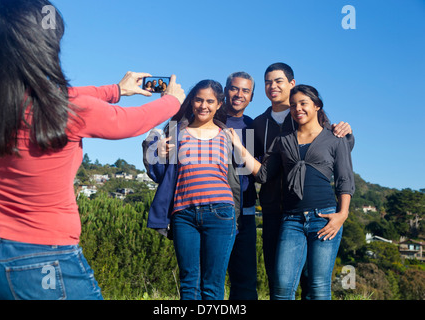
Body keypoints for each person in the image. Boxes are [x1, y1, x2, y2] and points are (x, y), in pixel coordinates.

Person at [0, 0, 185, 300]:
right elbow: (132, 121)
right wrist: (172, 101)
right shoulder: (73, 111)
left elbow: (56, 97)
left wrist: (115, 90)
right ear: (42, 46)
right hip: (44, 259)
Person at [228, 84, 355, 300]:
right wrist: (239, 147)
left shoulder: (335, 138)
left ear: (317, 106)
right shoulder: (284, 140)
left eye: (303, 103)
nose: (298, 109)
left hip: (325, 218)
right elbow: (264, 174)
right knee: (282, 287)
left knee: (318, 286)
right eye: (294, 105)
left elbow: (345, 179)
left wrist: (342, 215)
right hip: (291, 220)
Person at [143, 80, 241, 300]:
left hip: (221, 213)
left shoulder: (227, 135)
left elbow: (241, 178)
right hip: (184, 215)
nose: (203, 105)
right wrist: (157, 150)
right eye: (198, 99)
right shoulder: (176, 132)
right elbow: (158, 172)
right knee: (189, 284)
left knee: (212, 285)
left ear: (219, 104)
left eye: (209, 101)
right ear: (192, 101)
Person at [224, 72, 258, 300]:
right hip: (213, 209)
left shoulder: (254, 126)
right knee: (206, 278)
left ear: (252, 97)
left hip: (245, 213)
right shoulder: (209, 119)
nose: (239, 94)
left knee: (245, 283)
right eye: (235, 88)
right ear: (226, 91)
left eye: (245, 90)